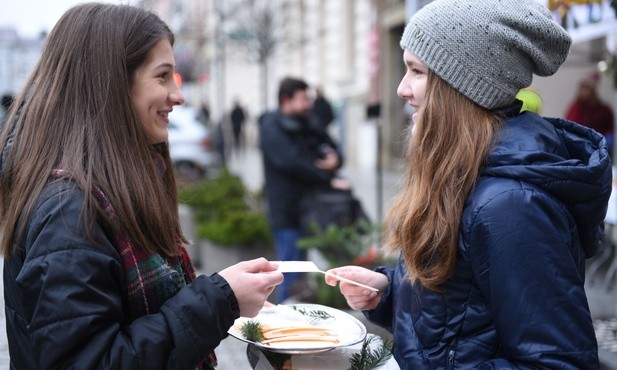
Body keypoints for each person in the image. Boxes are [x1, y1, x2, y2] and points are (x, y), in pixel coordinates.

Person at [324, 0, 611, 368]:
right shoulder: (463, 173)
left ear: (461, 88)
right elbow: (461, 309)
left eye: (416, 71)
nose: (401, 89)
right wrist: (388, 291)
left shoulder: (512, 206)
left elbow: (558, 362)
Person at [0, 4, 283, 369]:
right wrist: (218, 300)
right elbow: (90, 361)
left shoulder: (115, 186)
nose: (178, 95)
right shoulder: (70, 212)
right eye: (162, 76)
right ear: (113, 84)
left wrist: (231, 304)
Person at [259, 77, 344, 303]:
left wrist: (335, 160)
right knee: (290, 272)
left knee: (304, 273)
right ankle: (285, 325)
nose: (308, 103)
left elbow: (332, 147)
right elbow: (291, 163)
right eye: (302, 98)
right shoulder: (271, 127)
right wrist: (327, 177)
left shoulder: (309, 122)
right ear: (286, 100)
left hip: (313, 210)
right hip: (287, 213)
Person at [565, 76, 614, 149]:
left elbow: (609, 127)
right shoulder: (575, 107)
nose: (585, 92)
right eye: (583, 89)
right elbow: (569, 124)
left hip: (599, 144)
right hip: (580, 144)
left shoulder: (604, 109)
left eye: (587, 89)